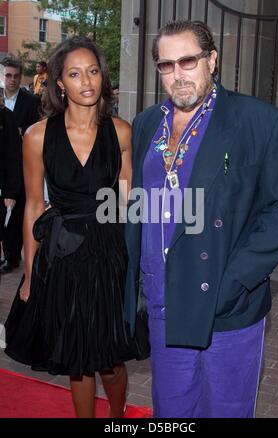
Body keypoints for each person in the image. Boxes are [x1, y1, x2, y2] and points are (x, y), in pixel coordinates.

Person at [124, 20, 278, 418]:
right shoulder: (147, 124)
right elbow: (142, 205)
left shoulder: (260, 122)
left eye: (188, 61)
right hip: (162, 302)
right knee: (172, 412)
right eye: (166, 65)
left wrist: (233, 282)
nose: (178, 74)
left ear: (212, 60)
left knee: (226, 411)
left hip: (224, 304)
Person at [4, 36, 134, 418]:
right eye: (75, 74)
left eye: (93, 71)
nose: (87, 81)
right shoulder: (37, 136)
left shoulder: (121, 132)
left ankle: (117, 416)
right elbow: (33, 205)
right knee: (77, 356)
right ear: (60, 82)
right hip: (62, 255)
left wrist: (140, 265)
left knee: (110, 359)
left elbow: (131, 204)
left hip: (110, 253)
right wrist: (29, 272)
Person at [0, 58, 40, 274]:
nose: (12, 80)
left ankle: (13, 256)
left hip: (23, 164)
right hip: (3, 163)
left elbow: (37, 129)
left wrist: (21, 133)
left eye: (16, 76)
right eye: (8, 75)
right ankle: (8, 252)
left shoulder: (31, 102)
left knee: (15, 211)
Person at [0, 94, 22, 274]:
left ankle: (11, 257)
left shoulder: (6, 116)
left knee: (8, 230)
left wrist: (11, 192)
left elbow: (14, 156)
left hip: (3, 187)